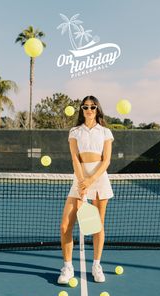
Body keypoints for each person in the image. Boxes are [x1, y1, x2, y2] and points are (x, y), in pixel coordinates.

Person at [58, 95, 114, 284]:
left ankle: (96, 265)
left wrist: (90, 181)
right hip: (80, 178)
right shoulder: (74, 131)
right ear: (81, 110)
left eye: (92, 106)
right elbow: (75, 158)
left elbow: (106, 160)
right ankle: (68, 267)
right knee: (66, 225)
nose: (89, 110)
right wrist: (82, 181)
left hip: (98, 179)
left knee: (97, 226)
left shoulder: (105, 132)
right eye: (85, 107)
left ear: (97, 109)